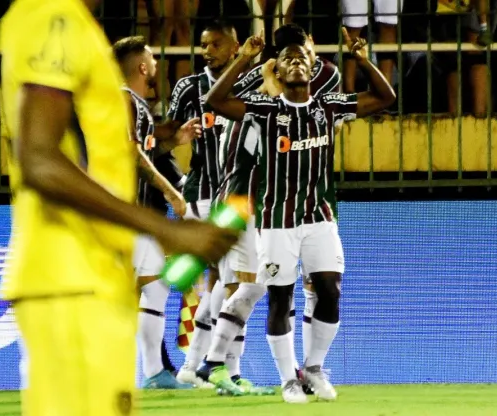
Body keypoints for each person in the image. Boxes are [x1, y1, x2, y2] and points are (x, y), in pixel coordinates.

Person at [0, 1, 238, 415]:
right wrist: (167, 229)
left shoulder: (77, 26)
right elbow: (38, 158)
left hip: (94, 277)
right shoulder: (52, 18)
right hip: (70, 277)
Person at [205, 28, 395, 403]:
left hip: (319, 217)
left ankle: (313, 368)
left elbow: (386, 97)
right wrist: (244, 57)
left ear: (313, 68)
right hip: (277, 221)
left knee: (330, 290)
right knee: (280, 299)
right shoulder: (266, 109)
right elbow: (215, 100)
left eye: (301, 58)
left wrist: (361, 58)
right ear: (278, 70)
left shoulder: (329, 105)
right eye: (287, 59)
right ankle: (287, 379)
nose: (295, 62)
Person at [200, 23, 343, 397]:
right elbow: (325, 75)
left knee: (251, 285)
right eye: (296, 54)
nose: (304, 62)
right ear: (278, 64)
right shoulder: (267, 96)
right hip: (249, 201)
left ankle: (215, 362)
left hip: (242, 198)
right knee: (257, 286)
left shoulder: (266, 86)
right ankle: (217, 362)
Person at [159, 19, 263, 388]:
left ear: (235, 47)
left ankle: (195, 366)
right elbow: (165, 137)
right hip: (204, 191)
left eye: (216, 44)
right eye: (204, 45)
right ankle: (224, 369)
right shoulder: (189, 86)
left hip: (237, 194)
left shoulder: (253, 84)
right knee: (231, 281)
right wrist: (179, 181)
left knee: (223, 280)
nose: (207, 51)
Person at [113, 35, 198, 390]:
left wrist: (172, 143)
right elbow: (131, 153)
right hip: (120, 213)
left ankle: (153, 374)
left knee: (156, 288)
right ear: (142, 66)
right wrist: (171, 191)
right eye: (152, 57)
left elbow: (144, 149)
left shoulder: (135, 103)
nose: (156, 64)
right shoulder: (121, 99)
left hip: (136, 215)